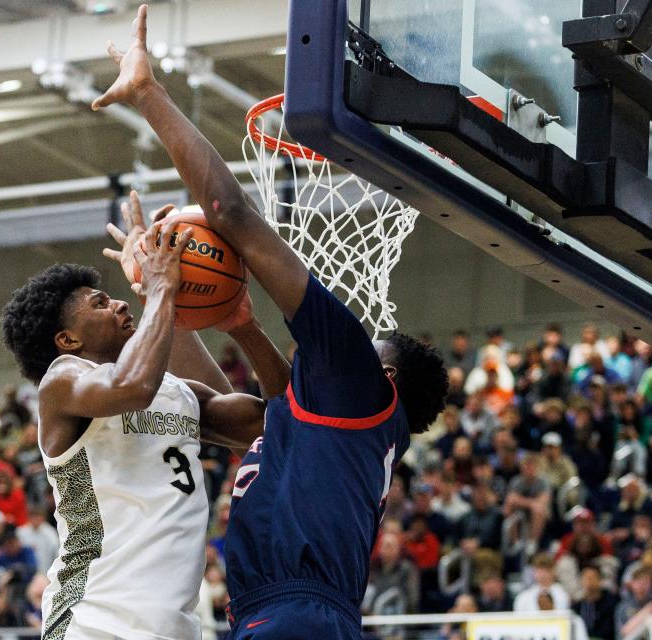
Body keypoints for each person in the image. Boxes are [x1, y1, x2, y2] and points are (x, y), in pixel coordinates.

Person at [92, 6, 448, 639]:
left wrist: (149, 94)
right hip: (289, 615)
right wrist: (201, 312)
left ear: (383, 370)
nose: (355, 343)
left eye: (371, 344)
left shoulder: (357, 380)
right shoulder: (332, 434)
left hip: (293, 617)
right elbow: (257, 404)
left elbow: (229, 210)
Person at [1, 203, 280, 636]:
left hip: (174, 627)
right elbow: (132, 386)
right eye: (99, 303)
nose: (116, 303)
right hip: (92, 622)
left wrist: (240, 325)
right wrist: (160, 288)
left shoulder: (176, 392)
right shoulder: (64, 380)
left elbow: (272, 427)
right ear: (68, 339)